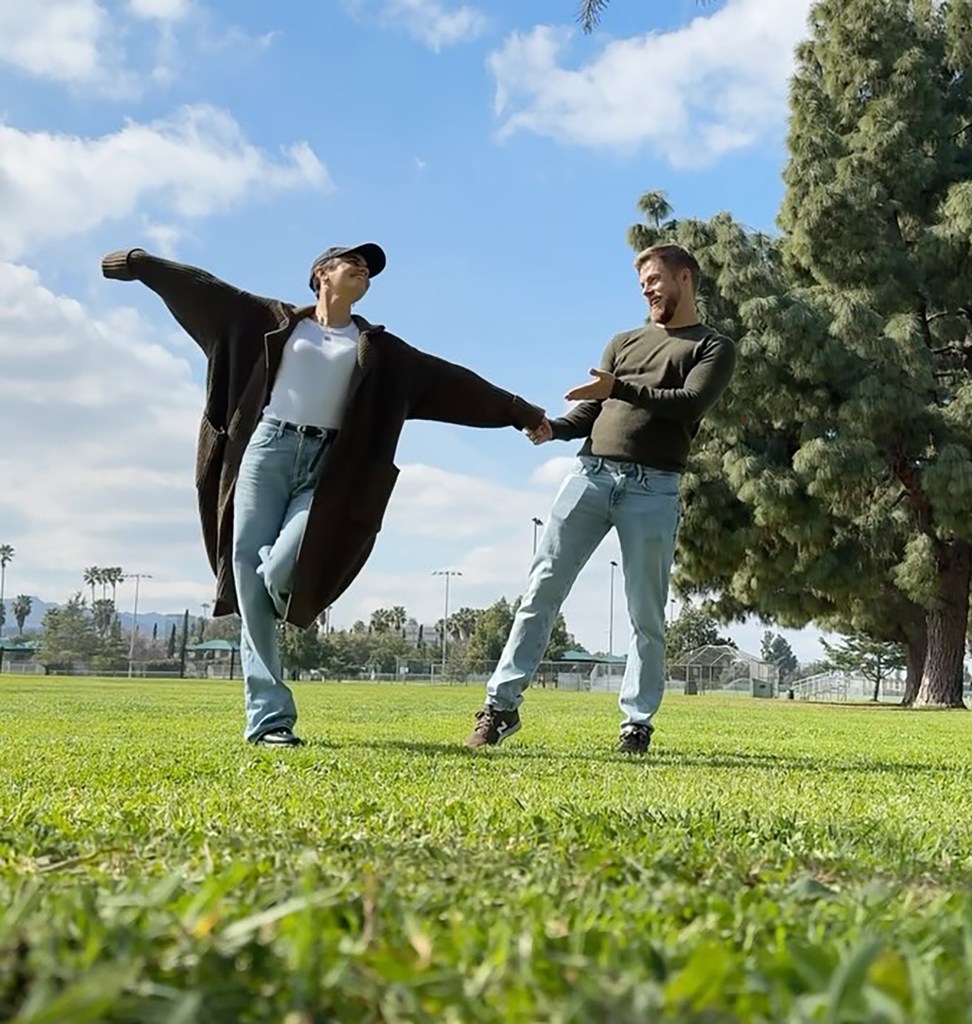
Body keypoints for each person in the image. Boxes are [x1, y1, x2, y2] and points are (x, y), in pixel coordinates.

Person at [101, 242, 544, 746]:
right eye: (350, 261)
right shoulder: (267, 319)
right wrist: (137, 263)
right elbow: (202, 289)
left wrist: (521, 412)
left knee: (278, 568)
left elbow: (452, 382)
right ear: (321, 275)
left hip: (330, 467)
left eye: (368, 268)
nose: (362, 268)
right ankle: (270, 721)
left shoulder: (382, 351)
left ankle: (290, 604)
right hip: (267, 449)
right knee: (248, 576)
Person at [464, 243, 735, 754]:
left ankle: (636, 724)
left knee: (645, 613)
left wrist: (620, 387)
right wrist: (554, 429)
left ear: (684, 277)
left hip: (654, 486)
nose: (649, 290)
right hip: (589, 476)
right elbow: (595, 413)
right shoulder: (623, 341)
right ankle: (499, 709)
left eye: (655, 279)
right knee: (540, 592)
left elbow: (690, 404)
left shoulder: (712, 346)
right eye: (642, 285)